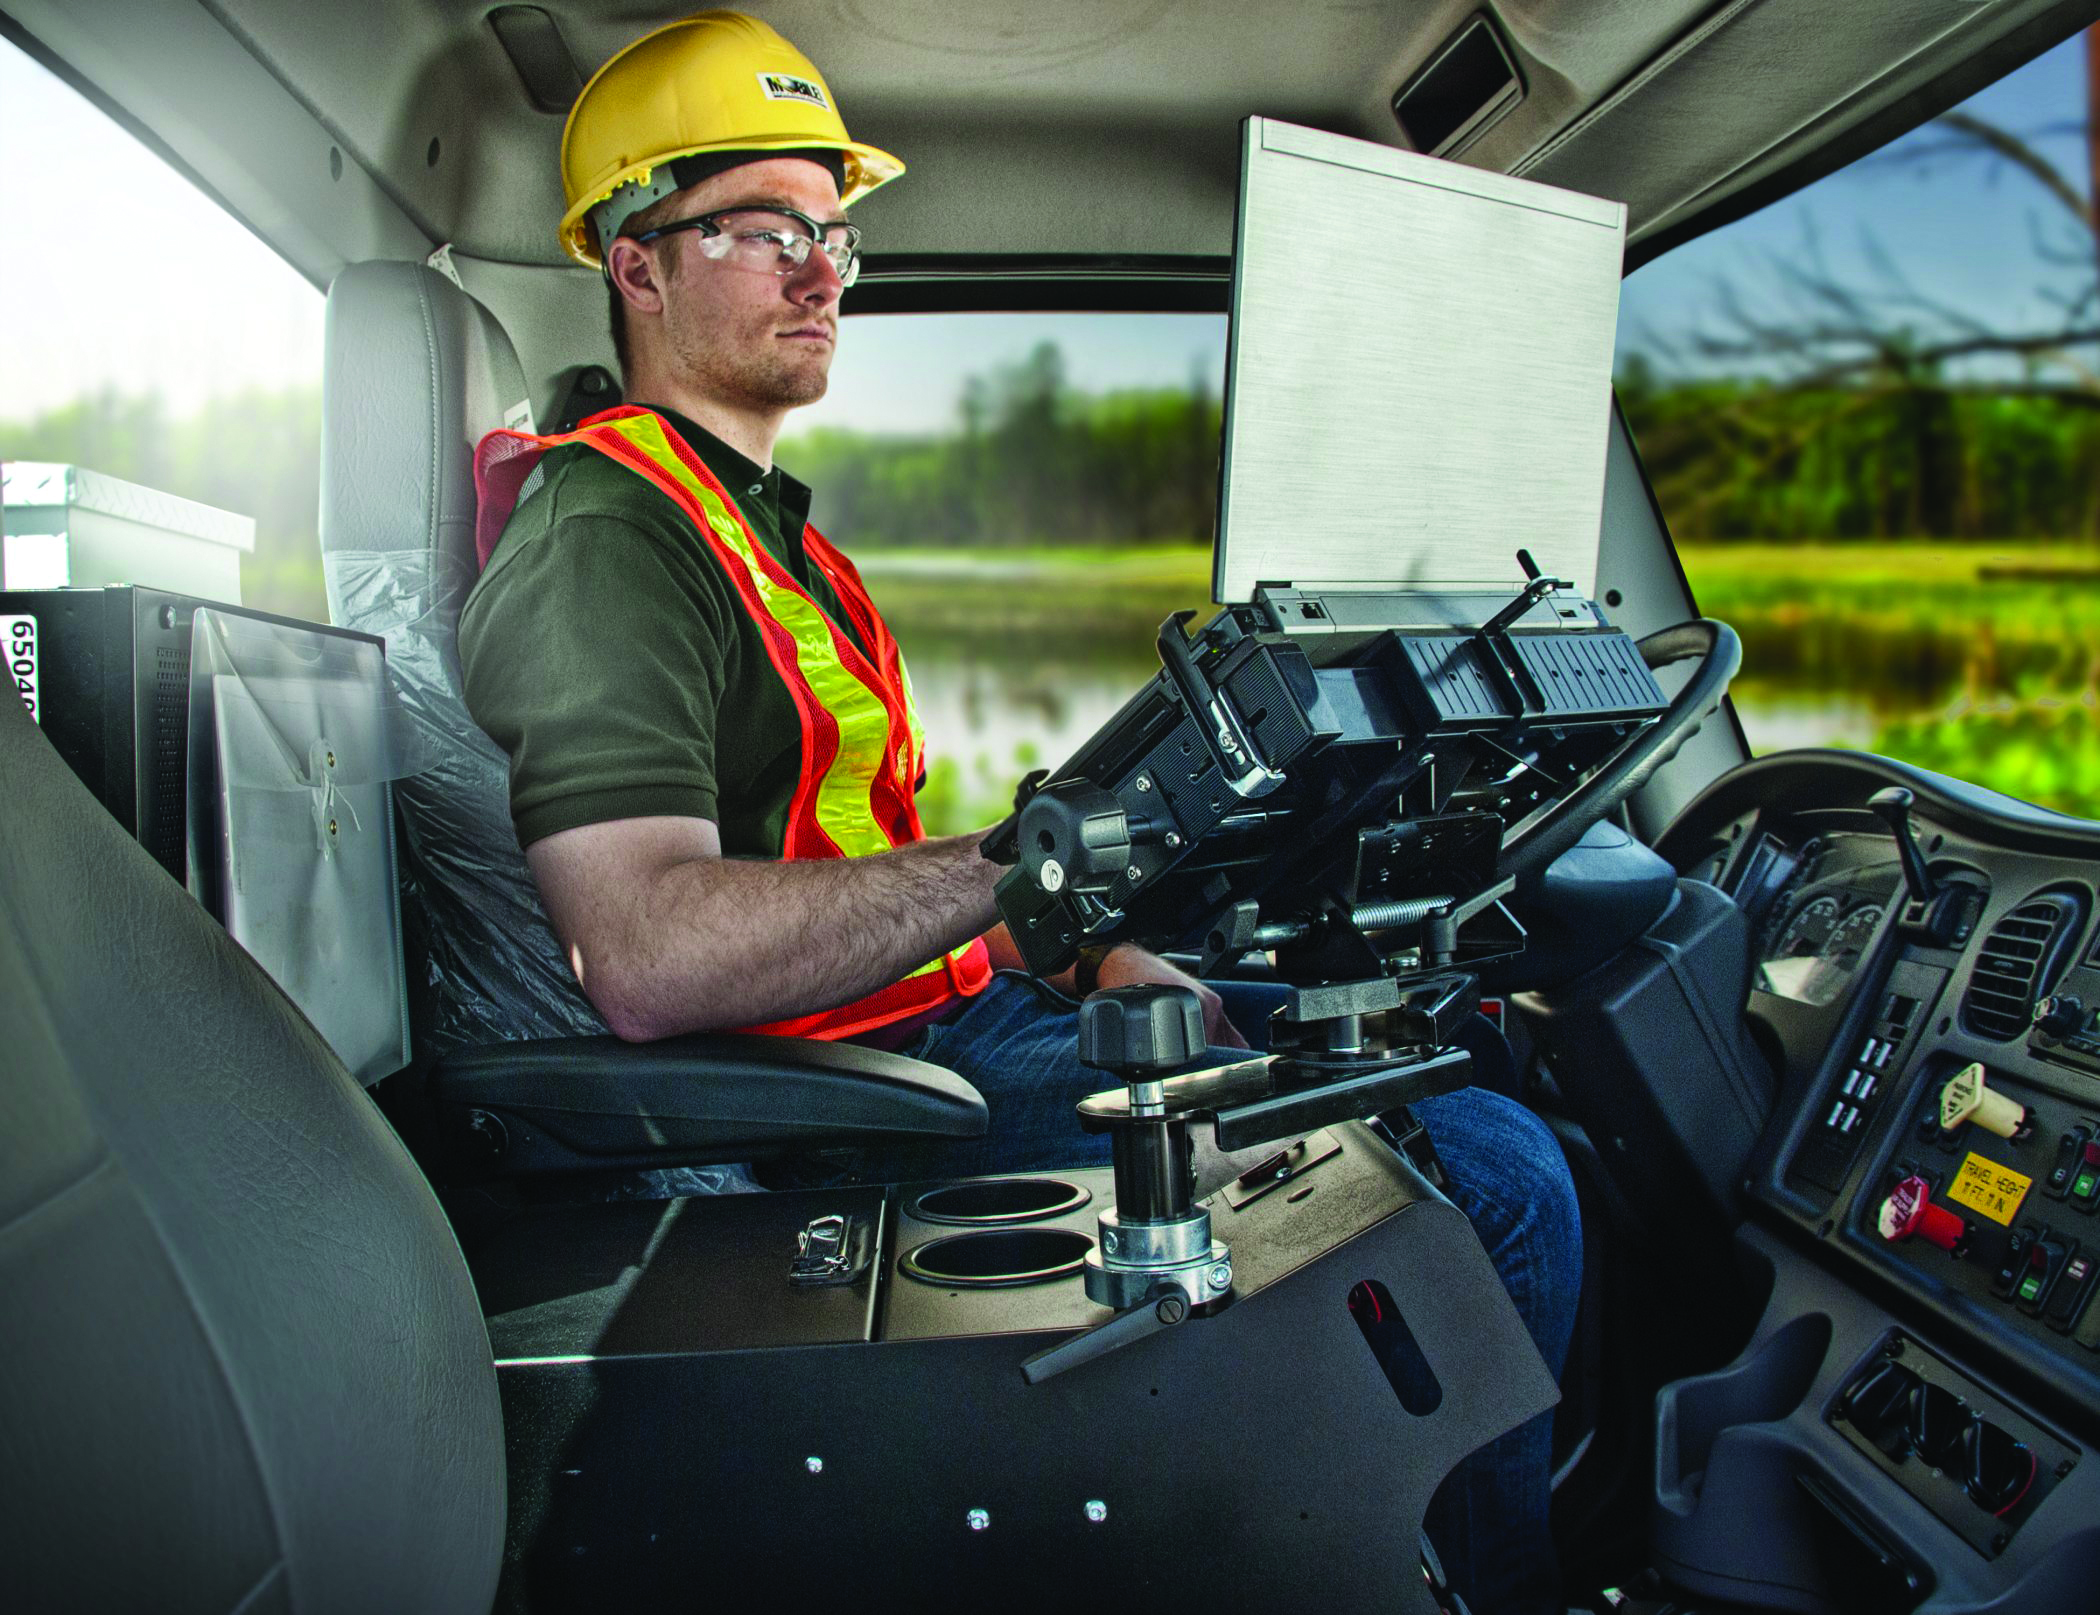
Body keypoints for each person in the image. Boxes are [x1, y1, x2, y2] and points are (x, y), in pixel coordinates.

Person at [458, 13, 1580, 1611]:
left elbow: (859, 865)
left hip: (953, 1024)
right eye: (765, 230)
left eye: (833, 235)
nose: (822, 271)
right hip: (859, 1101)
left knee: (1463, 1050)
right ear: (636, 264)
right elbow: (640, 949)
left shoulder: (770, 532)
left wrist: (1084, 951)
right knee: (1498, 1172)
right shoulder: (606, 532)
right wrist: (1015, 866)